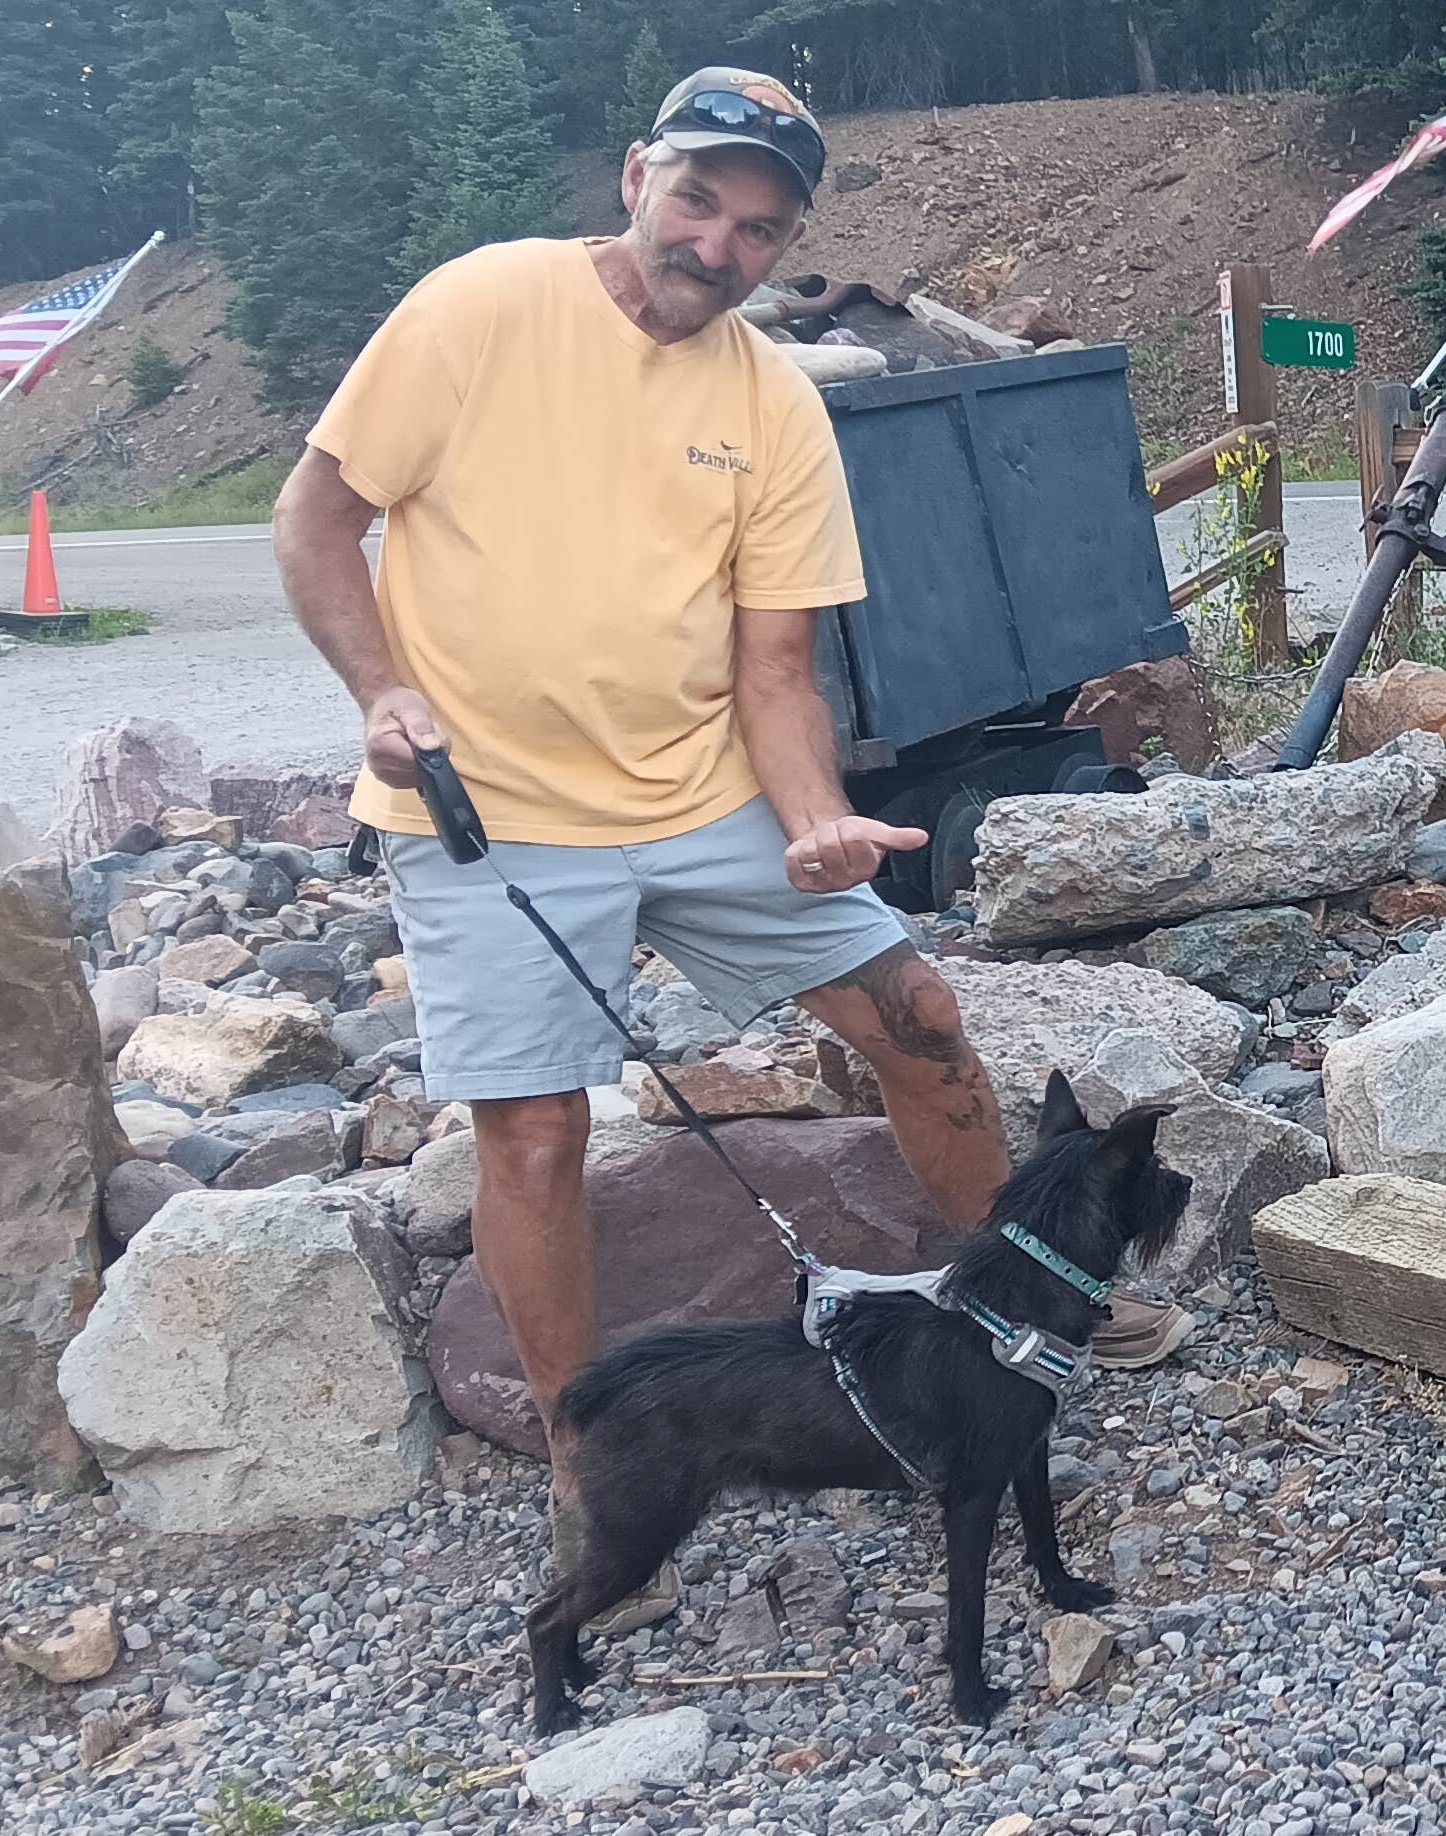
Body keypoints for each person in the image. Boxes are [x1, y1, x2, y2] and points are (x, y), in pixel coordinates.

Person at [271, 68, 1189, 1621]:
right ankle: (590, 1457)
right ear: (637, 175)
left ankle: (1010, 1321)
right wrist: (381, 693)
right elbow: (312, 521)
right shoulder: (479, 307)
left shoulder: (772, 401)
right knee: (538, 1135)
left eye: (761, 227)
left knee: (923, 1014)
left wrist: (820, 816)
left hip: (703, 799)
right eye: (699, 199)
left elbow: (776, 673)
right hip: (482, 803)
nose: (719, 243)